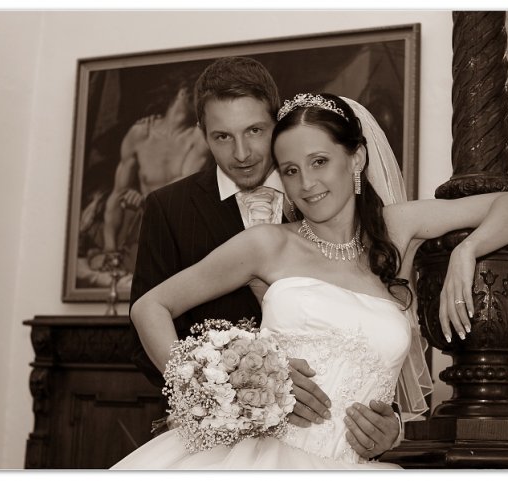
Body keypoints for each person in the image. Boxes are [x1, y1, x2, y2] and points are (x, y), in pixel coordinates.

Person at [113, 93, 508, 469]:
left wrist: (467, 251)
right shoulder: (267, 244)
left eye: (319, 162)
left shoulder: (398, 229)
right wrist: (220, 390)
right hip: (259, 458)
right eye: (290, 170)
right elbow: (150, 307)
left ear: (356, 158)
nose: (306, 184)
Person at [128, 58, 400, 455]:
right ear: (202, 134)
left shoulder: (325, 196)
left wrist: (390, 425)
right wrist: (237, 389)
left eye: (255, 131)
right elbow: (146, 330)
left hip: (330, 449)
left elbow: (368, 330)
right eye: (222, 136)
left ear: (277, 123)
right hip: (217, 447)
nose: (241, 153)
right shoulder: (169, 209)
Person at [102, 73, 212, 273]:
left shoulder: (199, 137)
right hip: (145, 234)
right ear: (184, 92)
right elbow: (117, 195)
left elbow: (185, 183)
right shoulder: (140, 134)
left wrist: (144, 198)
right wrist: (110, 250)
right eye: (204, 95)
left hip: (184, 236)